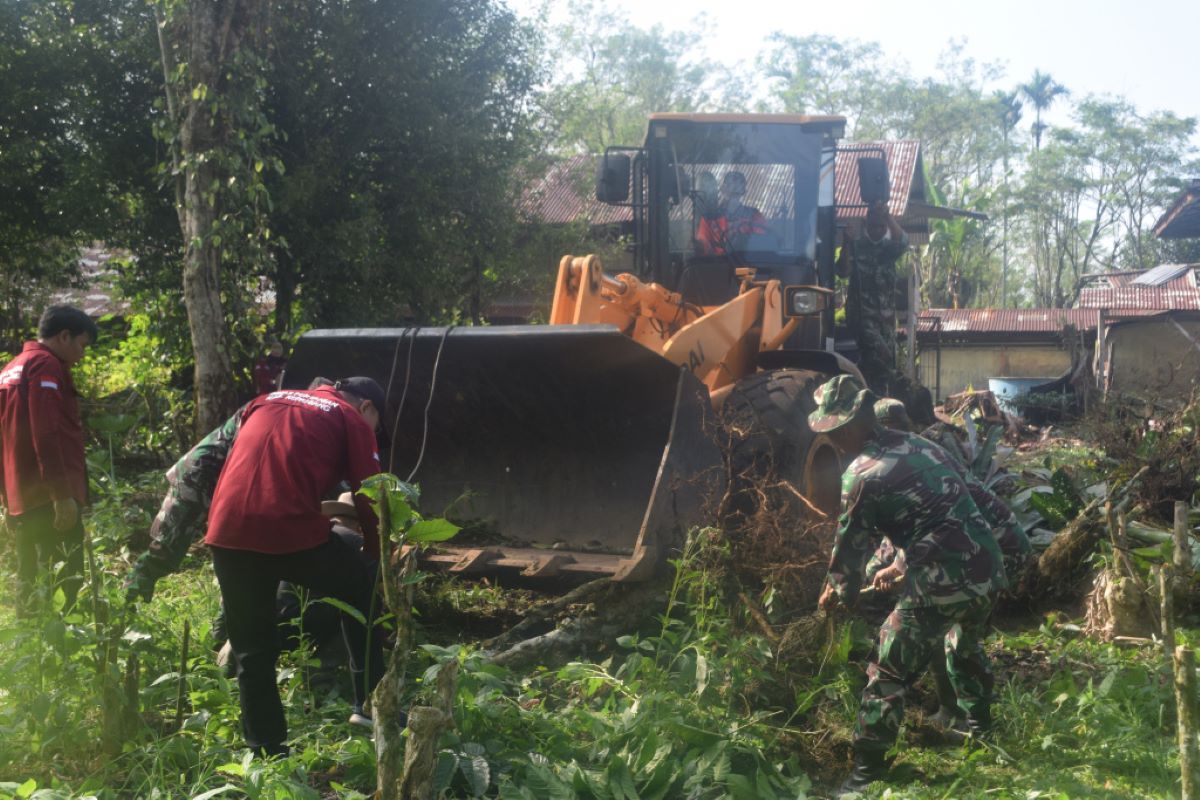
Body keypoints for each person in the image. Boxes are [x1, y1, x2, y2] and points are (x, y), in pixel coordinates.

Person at [809, 376, 1007, 797]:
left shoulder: (860, 475)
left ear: (852, 425)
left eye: (835, 430)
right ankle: (983, 735)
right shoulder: (922, 445)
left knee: (888, 668)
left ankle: (866, 773)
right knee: (963, 645)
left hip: (943, 580)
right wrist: (900, 565)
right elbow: (956, 505)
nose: (835, 439)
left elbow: (850, 549)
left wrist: (836, 593)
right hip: (986, 568)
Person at [869, 397, 1033, 733]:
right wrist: (883, 566)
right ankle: (973, 721)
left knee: (940, 625)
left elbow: (932, 523)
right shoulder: (923, 452)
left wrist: (889, 568)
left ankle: (957, 714)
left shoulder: (909, 461)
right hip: (998, 546)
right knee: (956, 636)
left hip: (987, 550)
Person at [1, 305, 97, 614]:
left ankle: (29, 652)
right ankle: (61, 654)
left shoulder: (10, 369)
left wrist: (5, 499)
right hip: (49, 497)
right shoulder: (46, 365)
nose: (82, 355)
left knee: (29, 578)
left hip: (22, 497)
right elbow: (47, 432)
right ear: (64, 336)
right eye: (81, 345)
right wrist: (62, 495)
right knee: (64, 583)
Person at [838, 201, 909, 398]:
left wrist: (887, 216)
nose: (877, 231)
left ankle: (881, 405)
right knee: (876, 358)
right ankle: (867, 402)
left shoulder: (888, 249)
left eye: (881, 227)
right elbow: (843, 271)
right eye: (873, 226)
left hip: (885, 321)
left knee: (886, 368)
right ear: (865, 225)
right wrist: (846, 242)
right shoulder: (857, 247)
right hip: (862, 318)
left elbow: (903, 241)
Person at [695, 170, 768, 256]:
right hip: (717, 265)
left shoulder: (754, 216)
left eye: (738, 186)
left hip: (748, 264)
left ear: (744, 191)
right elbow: (702, 248)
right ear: (722, 189)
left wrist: (743, 237)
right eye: (730, 185)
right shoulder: (709, 218)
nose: (734, 187)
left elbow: (763, 245)